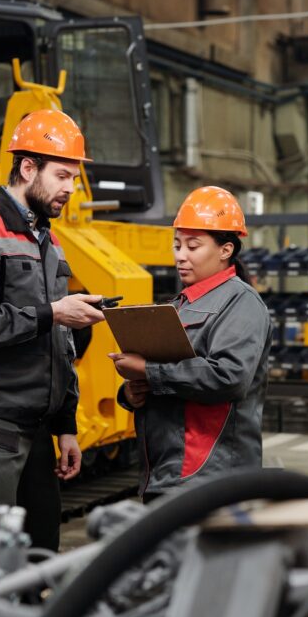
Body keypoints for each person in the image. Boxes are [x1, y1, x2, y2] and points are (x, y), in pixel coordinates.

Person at [0, 108, 106, 550]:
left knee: (40, 552)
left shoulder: (47, 241)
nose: (71, 189)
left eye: (75, 178)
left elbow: (59, 344)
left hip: (36, 428)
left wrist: (66, 424)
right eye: (63, 176)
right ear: (28, 168)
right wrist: (54, 312)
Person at [111, 186, 272, 501]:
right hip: (166, 470)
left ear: (226, 250)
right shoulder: (180, 304)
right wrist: (133, 391)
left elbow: (230, 377)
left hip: (211, 473)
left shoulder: (241, 303)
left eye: (193, 246)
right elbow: (170, 372)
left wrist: (149, 370)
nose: (180, 256)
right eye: (177, 245)